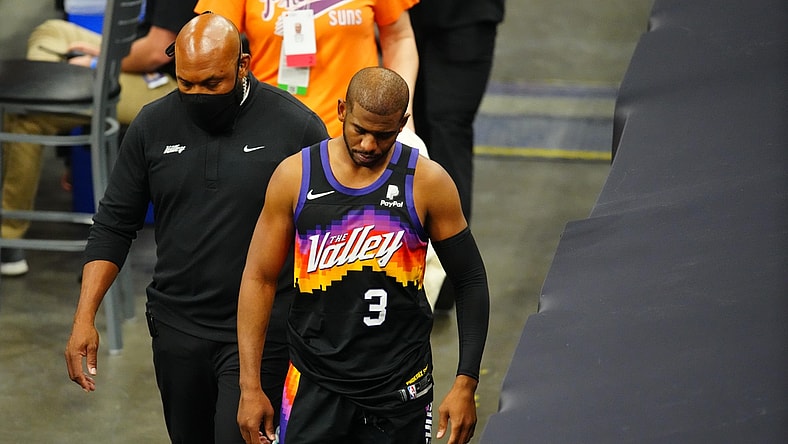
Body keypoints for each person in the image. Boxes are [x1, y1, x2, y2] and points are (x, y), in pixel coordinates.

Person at [64, 13, 328, 444]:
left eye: (212, 84)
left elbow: (324, 238)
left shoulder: (295, 129)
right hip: (176, 328)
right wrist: (84, 317)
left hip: (263, 335)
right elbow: (114, 224)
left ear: (243, 65)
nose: (197, 94)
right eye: (186, 84)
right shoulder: (152, 125)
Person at [236, 67, 490, 444]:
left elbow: (469, 280)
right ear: (341, 110)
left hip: (399, 387)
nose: (369, 144)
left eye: (384, 134)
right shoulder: (295, 177)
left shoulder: (427, 182)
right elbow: (259, 278)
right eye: (360, 129)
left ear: (403, 123)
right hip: (314, 384)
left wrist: (466, 381)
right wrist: (250, 387)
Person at [0, 0, 197, 276]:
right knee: (51, 32)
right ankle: (60, 85)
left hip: (171, 85)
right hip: (138, 61)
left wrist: (97, 62)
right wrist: (104, 55)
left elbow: (157, 52)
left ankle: (8, 237)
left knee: (26, 120)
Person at [193, 0, 419, 137]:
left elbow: (399, 39)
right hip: (271, 131)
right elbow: (208, 44)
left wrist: (399, 115)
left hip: (358, 134)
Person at [409, 0, 505, 309]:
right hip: (408, 15)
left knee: (447, 133)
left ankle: (447, 282)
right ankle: (412, 273)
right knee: (415, 133)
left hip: (464, 17)